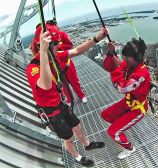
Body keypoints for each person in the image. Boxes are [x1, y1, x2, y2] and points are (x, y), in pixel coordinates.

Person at [26, 23, 108, 167]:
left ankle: (87, 144)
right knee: (68, 137)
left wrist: (97, 38)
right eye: (56, 43)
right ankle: (77, 157)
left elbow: (76, 51)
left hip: (60, 103)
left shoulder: (54, 56)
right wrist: (44, 53)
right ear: (43, 46)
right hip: (51, 112)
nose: (59, 45)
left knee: (76, 125)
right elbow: (46, 85)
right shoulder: (33, 68)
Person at [101, 38, 150, 159]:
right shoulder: (131, 65)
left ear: (136, 58)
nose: (124, 60)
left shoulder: (141, 74)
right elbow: (111, 66)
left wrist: (115, 70)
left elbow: (122, 88)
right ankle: (120, 127)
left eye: (126, 58)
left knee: (112, 132)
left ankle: (130, 148)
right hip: (128, 103)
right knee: (105, 115)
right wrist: (110, 53)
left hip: (137, 109)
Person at [47, 20, 88, 104]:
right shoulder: (48, 40)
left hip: (67, 62)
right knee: (64, 85)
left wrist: (59, 46)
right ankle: (69, 100)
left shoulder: (62, 34)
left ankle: (82, 96)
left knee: (74, 81)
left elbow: (70, 46)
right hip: (57, 65)